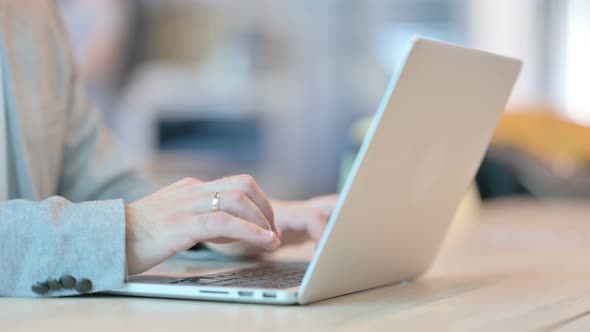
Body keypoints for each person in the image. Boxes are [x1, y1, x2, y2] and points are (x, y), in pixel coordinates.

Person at [0, 1, 337, 297]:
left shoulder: (36, 12)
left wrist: (217, 221)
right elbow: (127, 223)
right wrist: (128, 232)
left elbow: (95, 183)